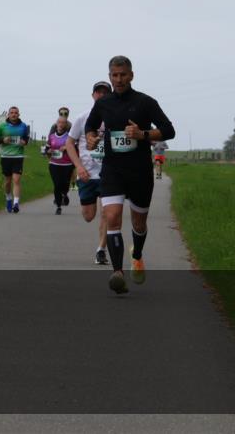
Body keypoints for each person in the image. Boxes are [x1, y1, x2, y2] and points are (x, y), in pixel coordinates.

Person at [85, 56, 175, 295]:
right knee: (112, 217)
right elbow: (91, 126)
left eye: (123, 74)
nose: (119, 79)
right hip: (113, 170)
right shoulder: (103, 104)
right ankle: (117, 273)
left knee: (138, 222)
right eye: (114, 75)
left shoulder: (145, 102)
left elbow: (169, 130)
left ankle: (136, 255)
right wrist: (92, 136)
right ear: (110, 75)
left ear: (131, 75)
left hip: (139, 172)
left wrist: (142, 134)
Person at [66, 80, 112, 265]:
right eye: (98, 92)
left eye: (105, 93)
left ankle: (101, 250)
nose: (101, 95)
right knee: (89, 216)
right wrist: (79, 166)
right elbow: (69, 143)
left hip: (109, 173)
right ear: (93, 95)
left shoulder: (115, 117)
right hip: (87, 173)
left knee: (108, 213)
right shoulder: (82, 118)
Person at [0, 107, 30, 213]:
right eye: (12, 113)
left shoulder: (23, 126)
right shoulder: (2, 126)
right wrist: (3, 139)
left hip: (18, 156)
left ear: (19, 114)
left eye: (16, 113)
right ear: (8, 115)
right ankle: (8, 198)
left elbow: (26, 139)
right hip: (5, 157)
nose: (14, 114)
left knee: (16, 180)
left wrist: (24, 142)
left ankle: (16, 203)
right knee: (8, 181)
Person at [45, 116, 74, 214]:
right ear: (56, 124)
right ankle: (58, 206)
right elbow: (46, 149)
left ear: (66, 125)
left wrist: (66, 147)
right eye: (59, 122)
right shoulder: (52, 136)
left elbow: (75, 147)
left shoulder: (69, 137)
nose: (61, 124)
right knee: (57, 184)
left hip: (67, 164)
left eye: (63, 123)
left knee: (65, 184)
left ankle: (64, 194)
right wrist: (48, 151)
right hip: (54, 164)